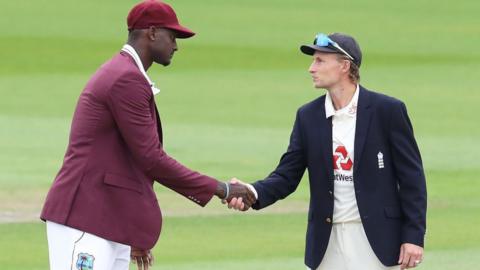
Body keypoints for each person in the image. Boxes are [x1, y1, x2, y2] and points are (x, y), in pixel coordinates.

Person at [40, 1, 255, 270]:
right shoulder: (125, 79)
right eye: (172, 36)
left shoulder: (127, 74)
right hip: (84, 219)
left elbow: (126, 163)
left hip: (106, 221)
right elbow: (151, 159)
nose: (176, 46)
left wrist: (133, 228)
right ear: (151, 33)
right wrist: (221, 189)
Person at [228, 33, 427, 270]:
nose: (311, 68)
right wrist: (251, 192)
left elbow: (412, 178)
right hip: (326, 245)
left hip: (378, 243)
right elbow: (286, 176)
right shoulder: (308, 116)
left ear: (344, 65)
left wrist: (413, 237)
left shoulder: (387, 111)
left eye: (320, 61)